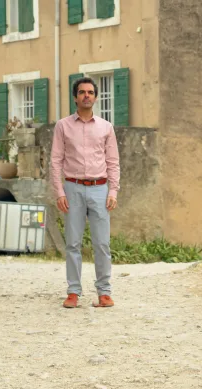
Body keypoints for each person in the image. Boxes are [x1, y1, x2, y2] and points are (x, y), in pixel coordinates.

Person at [51, 77, 120, 308]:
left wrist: (113, 191)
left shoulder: (106, 127)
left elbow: (113, 161)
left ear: (96, 97)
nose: (86, 96)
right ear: (75, 97)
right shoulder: (63, 126)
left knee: (102, 244)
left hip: (100, 188)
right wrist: (59, 192)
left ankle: (104, 292)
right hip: (73, 188)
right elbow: (55, 160)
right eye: (82, 92)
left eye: (90, 92)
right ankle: (73, 292)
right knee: (73, 243)